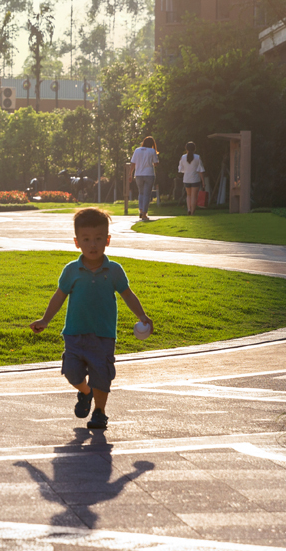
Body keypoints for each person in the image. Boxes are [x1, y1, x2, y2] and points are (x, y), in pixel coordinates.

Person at [29, 207, 154, 431]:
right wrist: (46, 320)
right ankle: (85, 393)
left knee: (102, 376)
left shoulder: (114, 270)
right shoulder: (71, 271)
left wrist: (142, 315)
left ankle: (100, 412)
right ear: (77, 242)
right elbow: (59, 296)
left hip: (103, 335)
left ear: (107, 240)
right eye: (86, 239)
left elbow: (128, 295)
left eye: (98, 239)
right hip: (74, 333)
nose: (93, 245)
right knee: (71, 372)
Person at [129, 136, 159, 221]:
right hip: (149, 174)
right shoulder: (152, 151)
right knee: (147, 194)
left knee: (141, 193)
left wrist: (130, 174)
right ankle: (144, 213)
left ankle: (141, 211)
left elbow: (133, 163)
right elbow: (156, 163)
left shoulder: (137, 150)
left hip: (138, 174)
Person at [178, 141, 206, 215]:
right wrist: (203, 182)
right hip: (195, 179)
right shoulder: (197, 157)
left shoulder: (183, 157)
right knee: (194, 196)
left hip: (186, 179)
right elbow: (201, 170)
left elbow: (180, 169)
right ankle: (193, 212)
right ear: (194, 148)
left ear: (186, 148)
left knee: (188, 195)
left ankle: (189, 209)